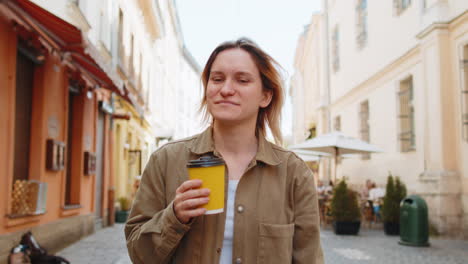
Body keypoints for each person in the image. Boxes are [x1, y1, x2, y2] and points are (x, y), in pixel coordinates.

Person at [125, 38, 323, 264]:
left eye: (242, 80)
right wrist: (174, 217)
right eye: (217, 79)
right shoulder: (166, 160)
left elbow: (309, 258)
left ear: (265, 96)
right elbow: (138, 255)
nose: (226, 89)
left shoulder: (293, 173)